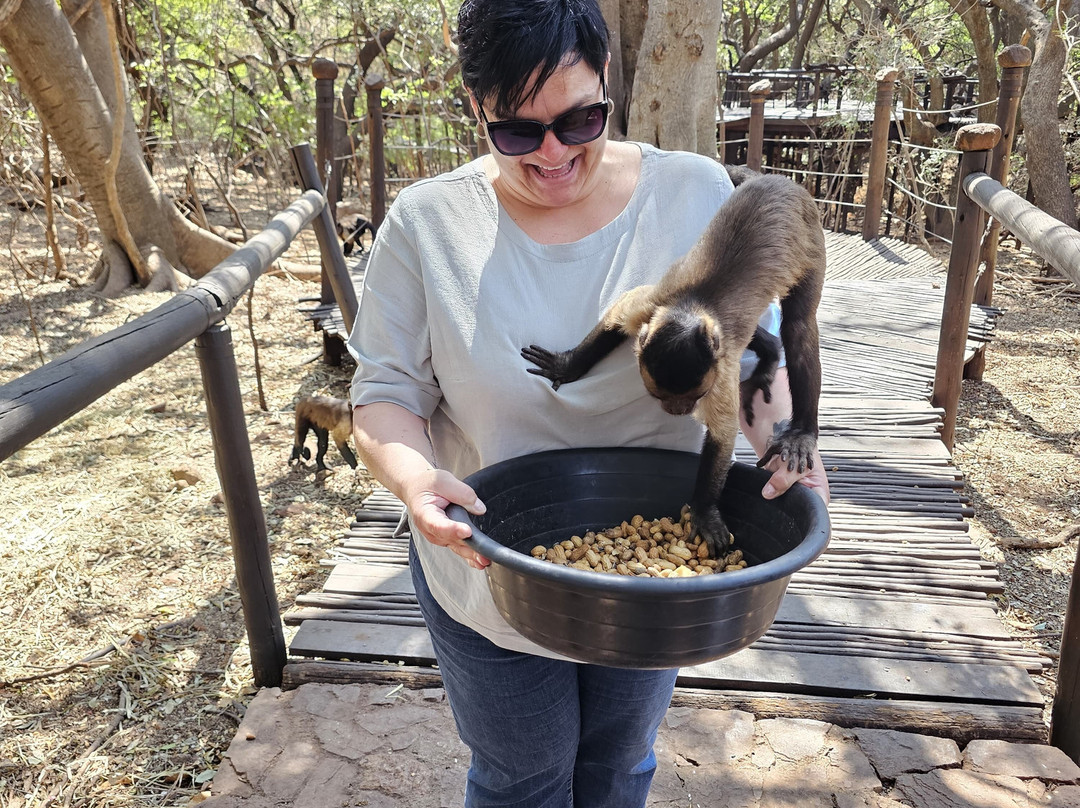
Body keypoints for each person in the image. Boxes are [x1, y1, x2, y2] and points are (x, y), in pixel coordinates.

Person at [347, 1, 830, 804]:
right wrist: (414, 480)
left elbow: (754, 357)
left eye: (580, 120)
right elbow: (384, 392)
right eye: (516, 131)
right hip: (490, 569)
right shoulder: (427, 223)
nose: (553, 152)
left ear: (608, 79)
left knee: (618, 763)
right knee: (524, 775)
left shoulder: (695, 191)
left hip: (658, 580)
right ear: (475, 104)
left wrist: (787, 444)